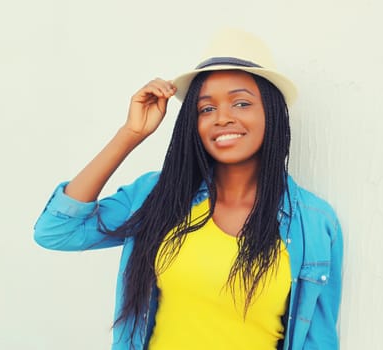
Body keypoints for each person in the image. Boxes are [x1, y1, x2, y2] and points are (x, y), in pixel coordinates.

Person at [34, 28, 343, 350]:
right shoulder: (159, 195)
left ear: (271, 111)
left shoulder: (315, 222)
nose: (222, 118)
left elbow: (318, 340)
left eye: (240, 103)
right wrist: (130, 133)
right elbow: (57, 231)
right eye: (206, 109)